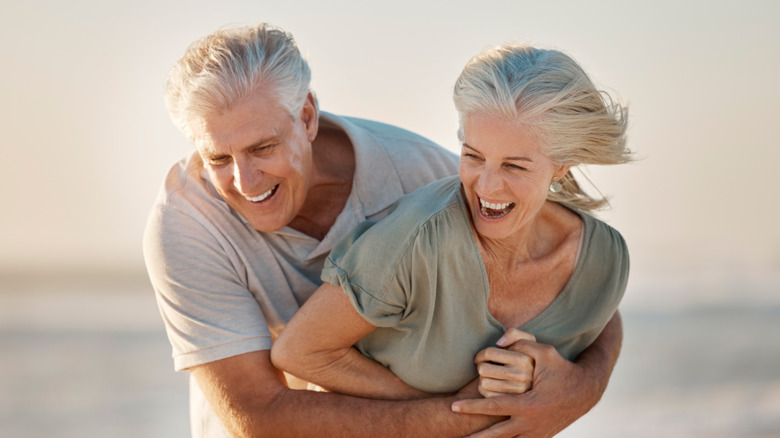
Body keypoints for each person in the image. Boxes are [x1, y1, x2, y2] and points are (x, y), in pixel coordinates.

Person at [143, 22, 624, 438]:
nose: (244, 182)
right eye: (218, 158)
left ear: (306, 117)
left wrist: (583, 387)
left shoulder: (422, 175)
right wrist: (469, 415)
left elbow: (572, 293)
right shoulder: (186, 227)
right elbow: (259, 416)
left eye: (263, 147)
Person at [272, 42, 630, 405]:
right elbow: (298, 353)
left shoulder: (603, 259)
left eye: (514, 166)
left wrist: (547, 382)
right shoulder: (414, 241)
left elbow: (595, 340)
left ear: (562, 164)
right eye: (473, 156)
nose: (486, 185)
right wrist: (445, 415)